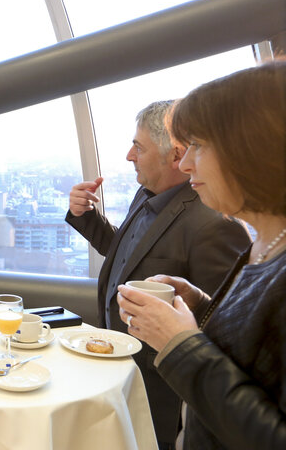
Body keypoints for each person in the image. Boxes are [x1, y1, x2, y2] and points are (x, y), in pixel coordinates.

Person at [117, 62, 286, 449]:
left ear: (252, 148)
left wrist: (180, 344)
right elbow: (258, 350)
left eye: (199, 145)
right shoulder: (263, 245)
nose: (187, 162)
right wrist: (201, 304)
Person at [65, 101, 250, 448]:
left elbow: (225, 330)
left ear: (175, 155)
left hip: (164, 391)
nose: (129, 156)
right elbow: (130, 257)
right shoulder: (147, 195)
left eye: (138, 146)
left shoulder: (213, 223)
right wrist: (86, 217)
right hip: (123, 371)